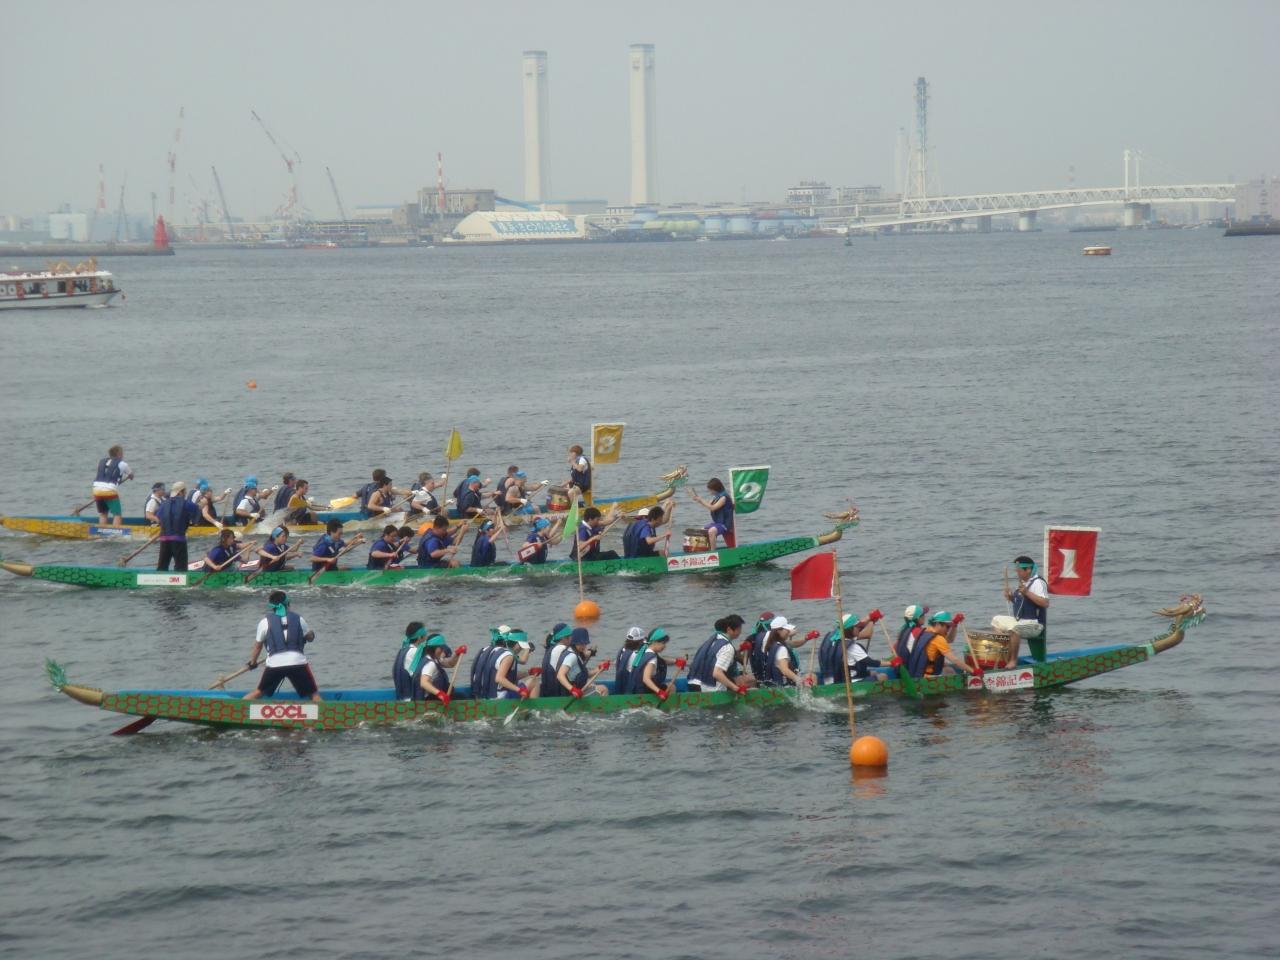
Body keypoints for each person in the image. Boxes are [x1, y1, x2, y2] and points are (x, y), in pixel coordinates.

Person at [243, 591, 321, 702]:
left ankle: (237, 707)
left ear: (272, 607)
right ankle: (324, 711)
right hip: (297, 662)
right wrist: (311, 634)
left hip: (275, 664)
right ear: (288, 604)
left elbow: (257, 647)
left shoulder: (264, 622)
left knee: (259, 691)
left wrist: (253, 663)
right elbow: (310, 638)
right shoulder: (299, 619)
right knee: (313, 694)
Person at [998, 554, 1050, 663]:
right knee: (996, 621)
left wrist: (1027, 592)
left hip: (1035, 624)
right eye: (1016, 570)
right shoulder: (1023, 583)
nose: (1017, 572)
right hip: (1021, 621)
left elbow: (1045, 603)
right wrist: (1011, 597)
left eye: (1019, 570)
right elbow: (1022, 603)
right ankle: (1005, 657)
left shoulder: (1038, 583)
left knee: (1014, 629)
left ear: (1028, 570)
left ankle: (1013, 661)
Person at [902, 611, 980, 679]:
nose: (948, 629)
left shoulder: (926, 630)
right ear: (938, 624)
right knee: (950, 670)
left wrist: (955, 625)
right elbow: (954, 660)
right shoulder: (938, 639)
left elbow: (950, 639)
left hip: (918, 672)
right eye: (947, 627)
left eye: (950, 627)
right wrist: (973, 671)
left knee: (948, 666)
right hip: (927, 676)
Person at [688, 615, 754, 694]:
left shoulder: (713, 639)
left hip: (692, 683)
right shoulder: (727, 648)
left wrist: (739, 650)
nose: (740, 632)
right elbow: (717, 673)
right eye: (738, 629)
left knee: (739, 677)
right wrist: (736, 689)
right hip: (709, 688)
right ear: (729, 629)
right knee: (751, 680)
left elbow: (717, 655)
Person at [817, 611, 884, 685]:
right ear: (850, 628)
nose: (859, 628)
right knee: (882, 676)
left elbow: (859, 625)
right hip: (846, 680)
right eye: (858, 627)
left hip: (831, 677)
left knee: (873, 672)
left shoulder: (834, 636)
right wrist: (871, 622)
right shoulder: (850, 645)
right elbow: (867, 634)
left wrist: (870, 617)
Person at [626, 628, 684, 700]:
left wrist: (676, 661)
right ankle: (669, 705)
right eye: (663, 643)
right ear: (654, 642)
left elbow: (661, 661)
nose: (665, 646)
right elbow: (646, 679)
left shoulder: (645, 651)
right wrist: (659, 692)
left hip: (637, 688)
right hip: (644, 691)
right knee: (672, 687)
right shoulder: (652, 659)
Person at [155, 481, 200, 571]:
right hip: (178, 540)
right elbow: (196, 514)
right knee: (181, 568)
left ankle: (160, 577)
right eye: (185, 492)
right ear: (180, 492)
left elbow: (158, 518)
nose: (185, 494)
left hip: (164, 539)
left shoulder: (164, 504)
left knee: (162, 567)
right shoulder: (186, 504)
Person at [481, 629, 536, 699]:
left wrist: (528, 673)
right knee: (534, 680)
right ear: (517, 645)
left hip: (488, 693)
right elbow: (499, 678)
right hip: (500, 696)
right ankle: (534, 706)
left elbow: (509, 675)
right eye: (521, 647)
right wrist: (519, 690)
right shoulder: (509, 656)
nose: (522, 649)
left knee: (523, 681)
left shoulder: (496, 651)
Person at [759, 616, 813, 687]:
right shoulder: (781, 649)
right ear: (779, 631)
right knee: (812, 677)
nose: (789, 631)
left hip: (772, 685)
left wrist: (806, 638)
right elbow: (785, 670)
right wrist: (800, 680)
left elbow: (792, 643)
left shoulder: (770, 644)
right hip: (784, 687)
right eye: (787, 629)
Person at [557, 627, 608, 698]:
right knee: (603, 689)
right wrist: (572, 690)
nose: (584, 646)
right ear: (574, 642)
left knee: (592, 684)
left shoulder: (575, 653)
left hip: (577, 690)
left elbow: (586, 675)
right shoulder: (572, 657)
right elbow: (560, 675)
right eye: (580, 644)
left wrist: (600, 668)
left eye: (585, 643)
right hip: (571, 695)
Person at [92, 444, 132, 527]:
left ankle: (101, 530)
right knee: (117, 514)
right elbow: (131, 475)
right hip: (109, 491)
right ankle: (115, 532)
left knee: (103, 513)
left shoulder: (101, 461)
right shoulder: (123, 464)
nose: (123, 456)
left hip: (96, 490)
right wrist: (130, 476)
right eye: (122, 454)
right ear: (119, 454)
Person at [690, 477, 735, 550]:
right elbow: (708, 505)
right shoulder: (716, 498)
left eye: (710, 490)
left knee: (712, 531)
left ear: (715, 489)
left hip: (725, 524)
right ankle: (704, 549)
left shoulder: (724, 498)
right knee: (702, 530)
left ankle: (713, 551)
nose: (709, 491)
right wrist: (698, 500)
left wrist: (701, 500)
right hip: (717, 523)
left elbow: (713, 508)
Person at [538, 623, 574, 696]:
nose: (572, 638)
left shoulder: (550, 650)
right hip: (558, 694)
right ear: (564, 638)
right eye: (570, 635)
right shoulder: (564, 649)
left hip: (547, 691)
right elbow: (576, 675)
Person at [615, 625, 646, 694]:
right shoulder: (639, 654)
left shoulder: (623, 650)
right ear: (641, 641)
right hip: (635, 686)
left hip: (623, 683)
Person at [745, 611, 775, 681]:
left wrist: (744, 672)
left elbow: (745, 657)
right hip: (771, 674)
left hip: (756, 674)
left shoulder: (751, 637)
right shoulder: (771, 637)